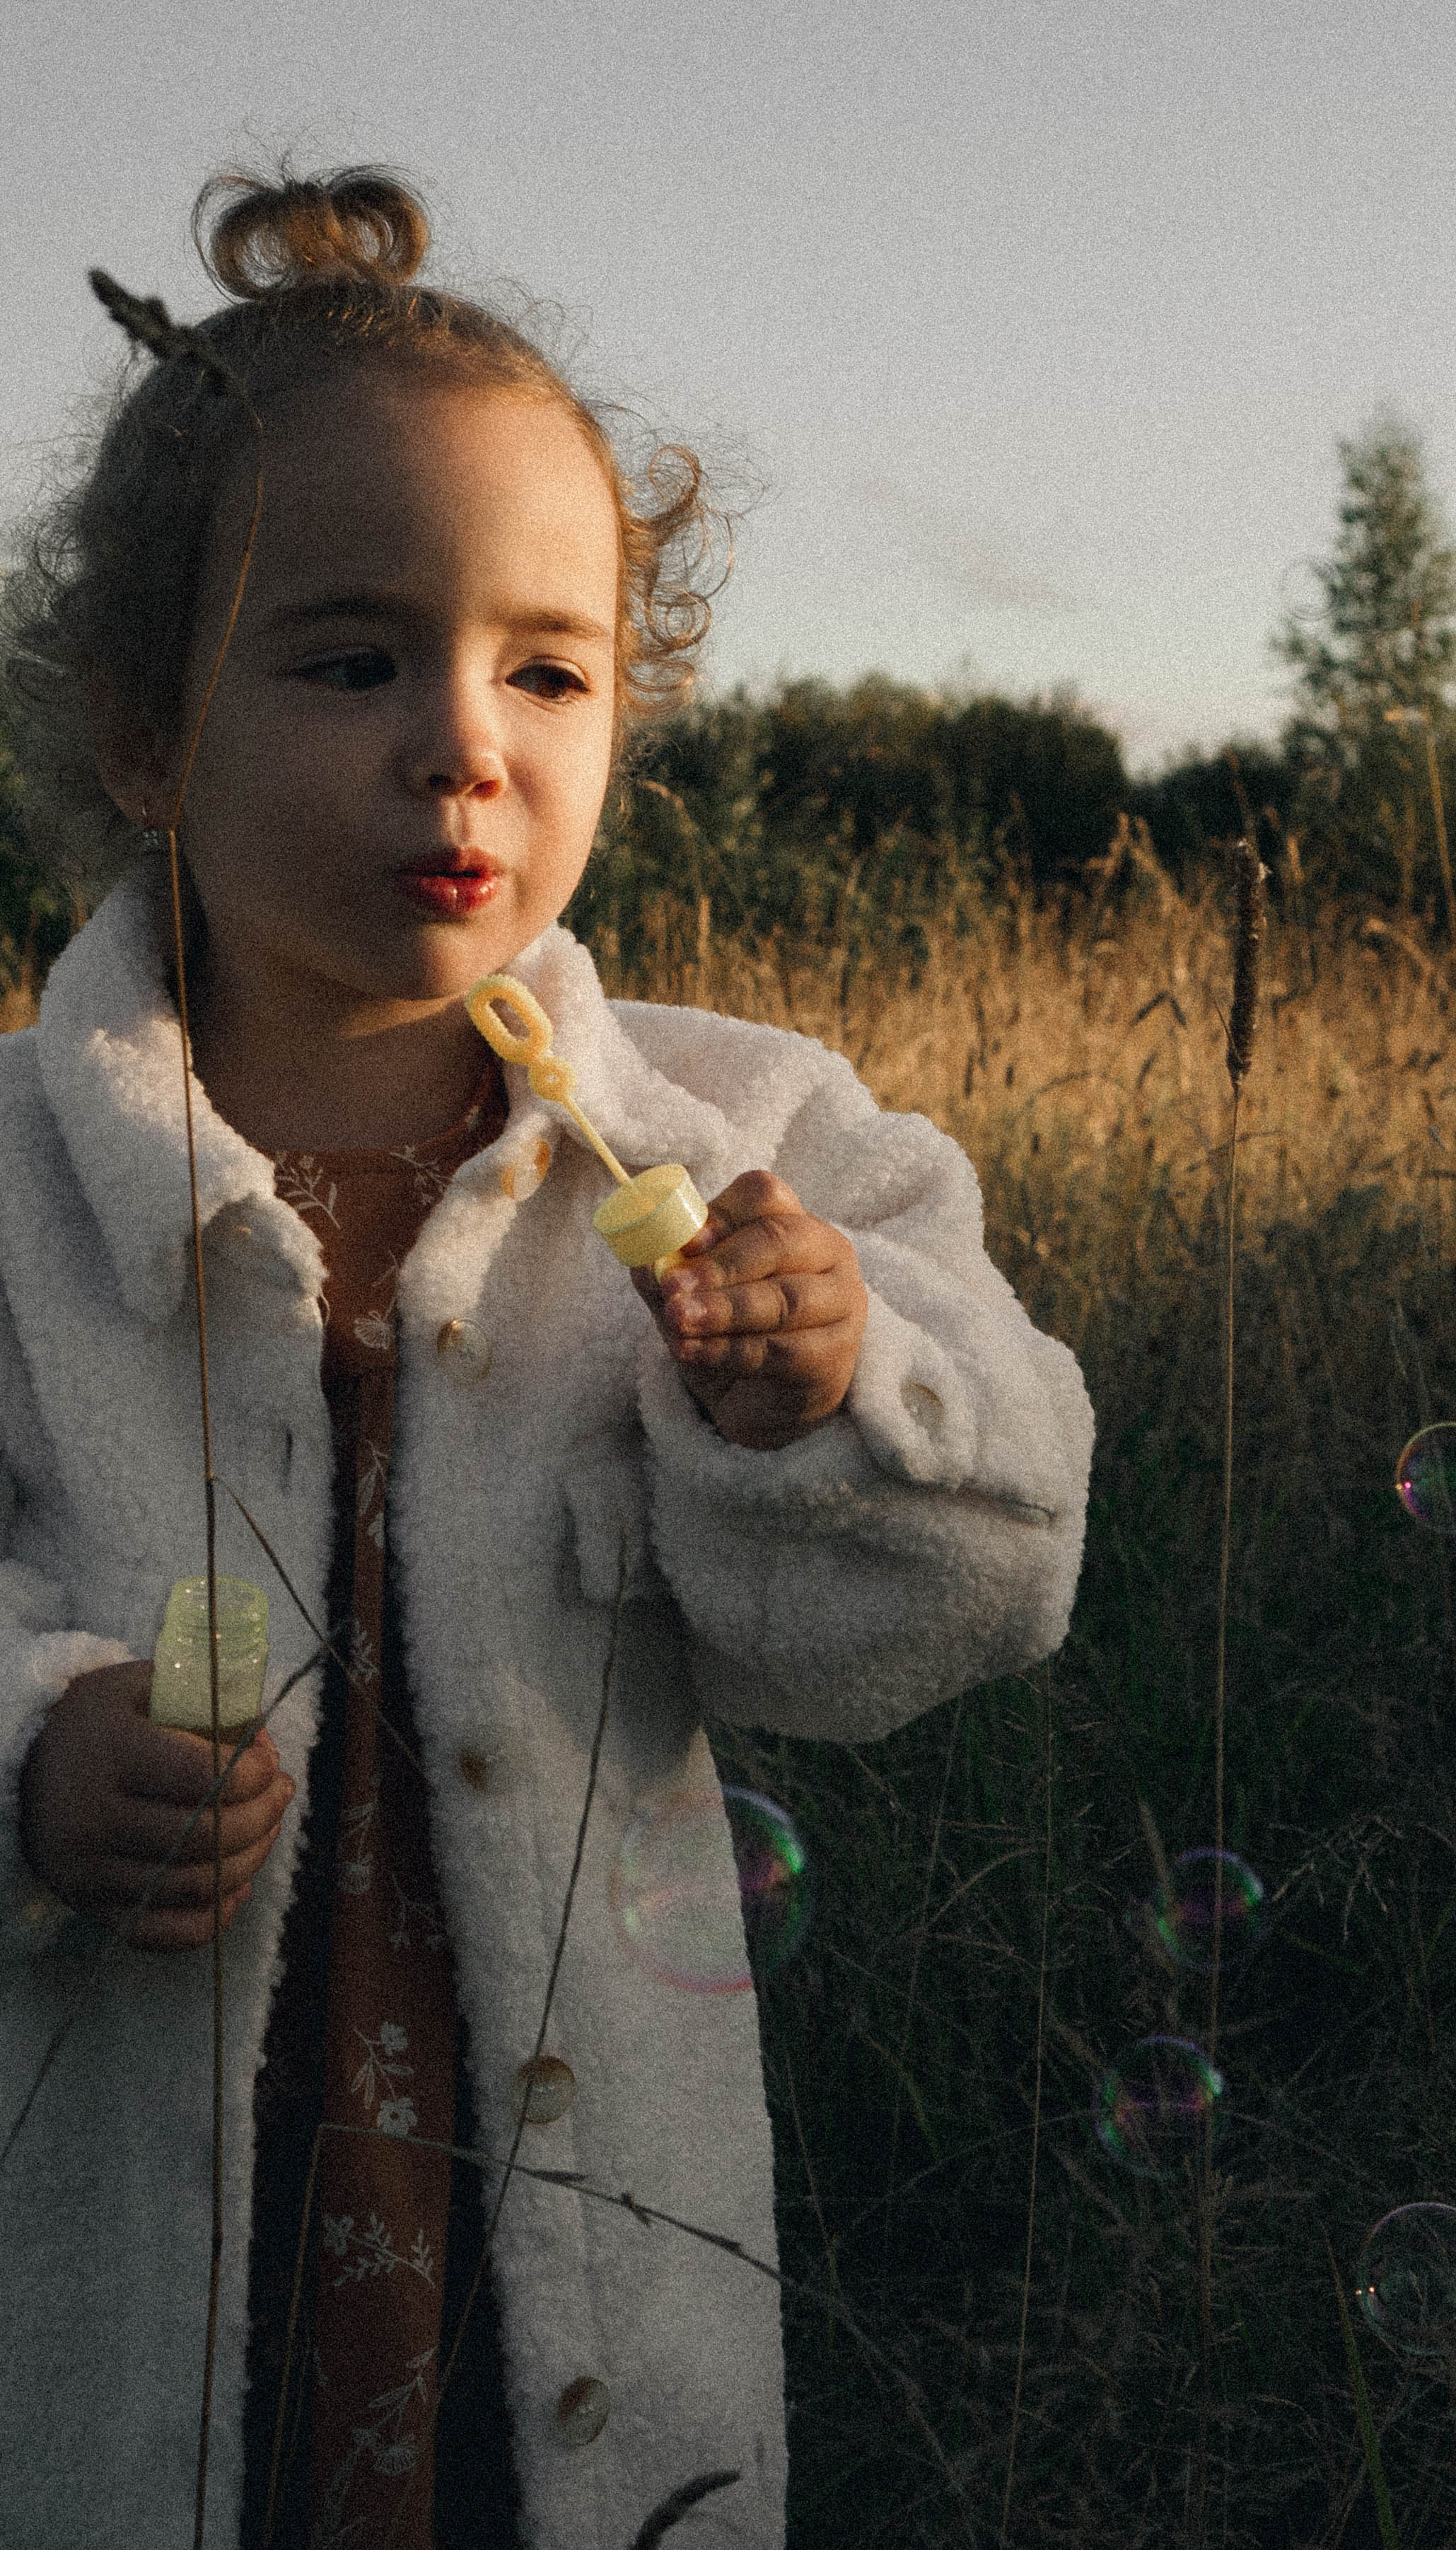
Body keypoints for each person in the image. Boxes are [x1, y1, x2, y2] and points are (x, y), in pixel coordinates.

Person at [0, 168, 1093, 2549]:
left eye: (547, 666)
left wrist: (831, 1407)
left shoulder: (758, 1145)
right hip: (98, 2240)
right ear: (141, 729)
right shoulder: (13, 1191)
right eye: (350, 656)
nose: (462, 746)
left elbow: (958, 1600)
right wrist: (28, 1755)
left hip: (562, 2258)